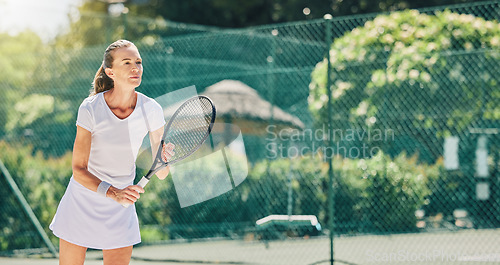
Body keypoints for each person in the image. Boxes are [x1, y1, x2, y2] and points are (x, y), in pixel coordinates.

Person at [50, 39, 174, 265]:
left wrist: (164, 160)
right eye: (126, 62)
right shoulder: (90, 108)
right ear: (110, 72)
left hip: (121, 206)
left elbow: (163, 172)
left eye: (138, 61)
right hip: (82, 200)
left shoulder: (152, 110)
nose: (135, 68)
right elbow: (79, 170)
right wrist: (113, 192)